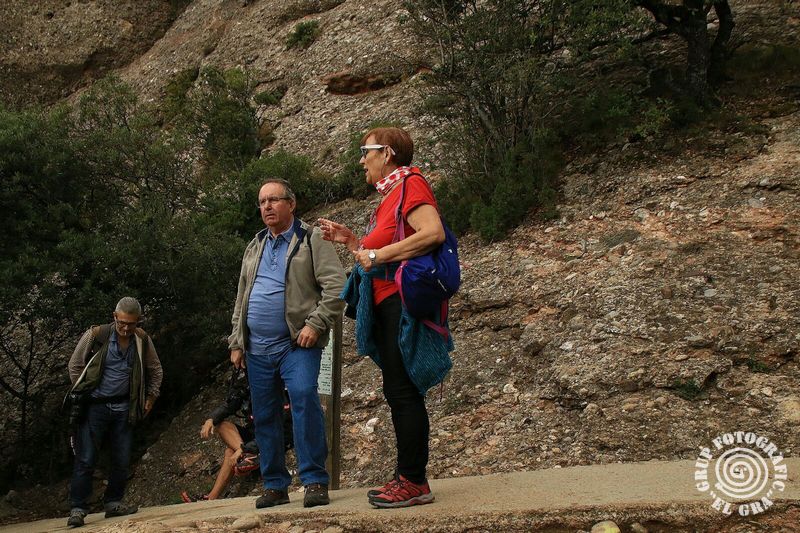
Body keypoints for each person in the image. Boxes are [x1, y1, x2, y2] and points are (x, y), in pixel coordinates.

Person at [318, 126, 453, 508]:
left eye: (366, 151)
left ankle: (413, 481)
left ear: (388, 153)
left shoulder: (411, 184)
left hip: (399, 304)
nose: (362, 160)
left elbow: (432, 233)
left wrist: (376, 254)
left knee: (403, 392)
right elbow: (375, 255)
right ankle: (408, 477)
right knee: (398, 392)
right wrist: (352, 241)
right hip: (386, 303)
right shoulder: (391, 195)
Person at [229, 178, 345, 508]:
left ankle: (314, 480)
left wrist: (315, 324)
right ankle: (275, 485)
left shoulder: (311, 238)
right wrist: (237, 340)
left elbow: (337, 286)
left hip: (297, 344)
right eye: (262, 202)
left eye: (274, 200)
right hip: (257, 348)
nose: (266, 206)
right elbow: (242, 297)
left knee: (304, 398)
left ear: (291, 204)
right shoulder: (255, 245)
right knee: (264, 415)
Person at [65, 297, 162, 528]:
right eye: (122, 323)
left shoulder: (142, 339)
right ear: (115, 317)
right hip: (94, 406)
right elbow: (75, 364)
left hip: (125, 406)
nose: (126, 328)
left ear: (138, 321)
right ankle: (78, 508)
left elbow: (155, 368)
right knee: (86, 457)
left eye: (131, 324)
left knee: (121, 458)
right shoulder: (96, 335)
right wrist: (83, 389)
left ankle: (113, 503)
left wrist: (151, 397)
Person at [180, 369, 294, 502]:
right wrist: (211, 419)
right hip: (255, 435)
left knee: (231, 451)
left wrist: (247, 448)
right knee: (223, 427)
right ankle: (211, 498)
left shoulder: (277, 385)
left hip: (276, 436)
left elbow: (282, 425)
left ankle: (246, 453)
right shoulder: (248, 384)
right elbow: (231, 403)